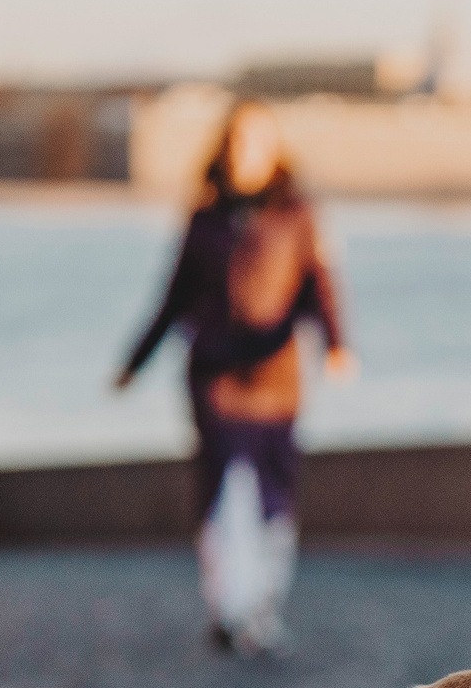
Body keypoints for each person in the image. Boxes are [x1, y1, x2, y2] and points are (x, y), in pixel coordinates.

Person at [116, 100, 353, 655]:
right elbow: (173, 297)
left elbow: (318, 283)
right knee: (222, 486)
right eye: (240, 139)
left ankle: (263, 602)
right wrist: (133, 363)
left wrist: (338, 346)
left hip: (276, 372)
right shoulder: (203, 219)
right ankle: (228, 604)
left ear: (275, 150)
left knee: (274, 486)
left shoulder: (298, 214)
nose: (249, 150)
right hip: (214, 372)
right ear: (225, 147)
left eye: (260, 140)